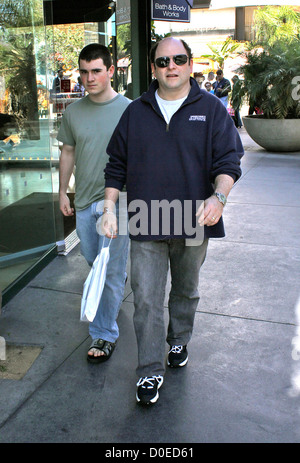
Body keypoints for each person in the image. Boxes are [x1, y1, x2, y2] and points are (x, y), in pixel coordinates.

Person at [102, 37, 243, 405]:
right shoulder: (135, 112)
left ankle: (178, 339)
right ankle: (149, 370)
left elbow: (229, 162)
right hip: (146, 220)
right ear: (153, 68)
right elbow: (116, 165)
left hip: (193, 220)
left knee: (185, 291)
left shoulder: (211, 109)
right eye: (163, 61)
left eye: (178, 59)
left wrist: (219, 197)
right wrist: (108, 208)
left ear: (190, 64)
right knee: (146, 298)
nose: (171, 66)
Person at [57, 43, 131, 364]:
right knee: (93, 261)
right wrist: (62, 192)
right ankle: (114, 286)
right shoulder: (73, 112)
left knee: (109, 270)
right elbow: (68, 153)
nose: (89, 78)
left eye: (96, 71)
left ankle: (104, 333)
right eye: (84, 72)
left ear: (111, 71)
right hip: (86, 200)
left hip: (119, 203)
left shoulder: (130, 109)